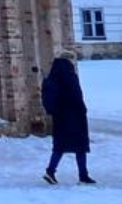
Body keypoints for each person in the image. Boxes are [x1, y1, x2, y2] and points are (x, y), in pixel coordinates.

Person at [41, 52, 95, 186]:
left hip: (60, 117)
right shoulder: (70, 76)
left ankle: (50, 171)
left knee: (59, 146)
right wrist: (82, 109)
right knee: (80, 146)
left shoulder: (53, 75)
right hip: (75, 116)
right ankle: (83, 175)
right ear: (70, 61)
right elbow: (76, 96)